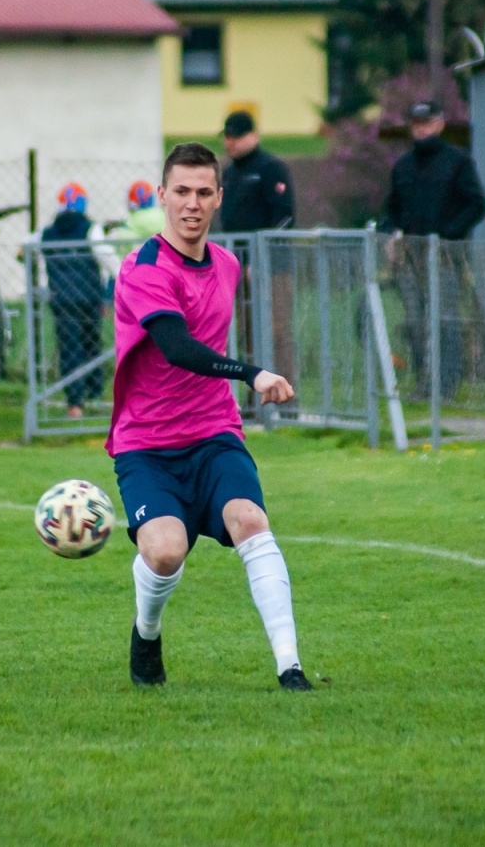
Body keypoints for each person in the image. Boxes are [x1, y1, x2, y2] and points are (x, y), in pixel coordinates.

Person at [109, 141, 311, 691]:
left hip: (213, 433)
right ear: (162, 195)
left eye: (203, 192)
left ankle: (290, 667)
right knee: (165, 552)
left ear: (219, 197)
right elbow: (177, 347)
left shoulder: (227, 264)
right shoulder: (144, 268)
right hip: (147, 445)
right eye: (181, 191)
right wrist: (252, 373)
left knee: (251, 521)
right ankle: (147, 633)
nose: (191, 204)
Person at [379, 100, 485, 398]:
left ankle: (446, 385)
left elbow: (477, 204)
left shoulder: (457, 161)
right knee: (416, 320)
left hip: (444, 256)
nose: (421, 129)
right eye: (416, 124)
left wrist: (448, 235)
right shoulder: (403, 165)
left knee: (444, 319)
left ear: (439, 124)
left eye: (426, 123)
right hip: (409, 258)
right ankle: (423, 384)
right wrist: (390, 234)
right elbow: (391, 209)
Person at [218, 110, 297, 385]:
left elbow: (284, 217)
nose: (230, 142)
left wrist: (260, 258)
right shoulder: (229, 174)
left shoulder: (271, 168)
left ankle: (285, 398)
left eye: (237, 136)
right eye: (227, 136)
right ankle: (256, 398)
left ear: (254, 135)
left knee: (276, 332)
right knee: (247, 333)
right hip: (237, 265)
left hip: (272, 267)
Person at [42, 182, 105, 419]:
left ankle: (74, 403)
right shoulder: (91, 229)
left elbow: (25, 249)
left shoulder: (47, 233)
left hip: (62, 300)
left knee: (70, 349)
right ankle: (95, 394)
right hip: (89, 298)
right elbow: (106, 256)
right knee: (92, 346)